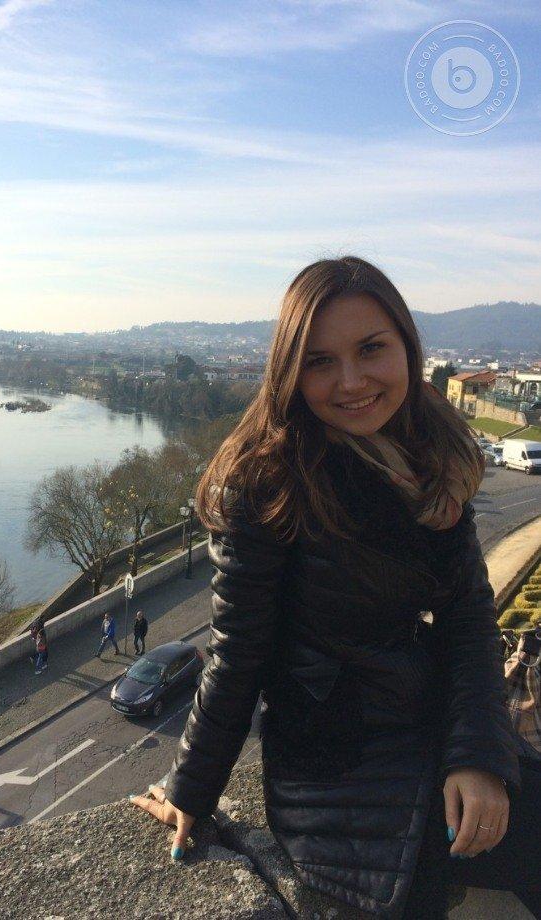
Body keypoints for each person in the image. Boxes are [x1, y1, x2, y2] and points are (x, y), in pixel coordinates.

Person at [130, 256, 541, 919]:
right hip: (335, 771)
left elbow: (467, 617)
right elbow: (238, 655)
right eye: (320, 361)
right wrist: (191, 789)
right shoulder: (265, 482)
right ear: (290, 373)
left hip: (426, 728)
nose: (351, 381)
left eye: (371, 349)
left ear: (406, 346)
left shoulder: (428, 454)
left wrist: (478, 757)